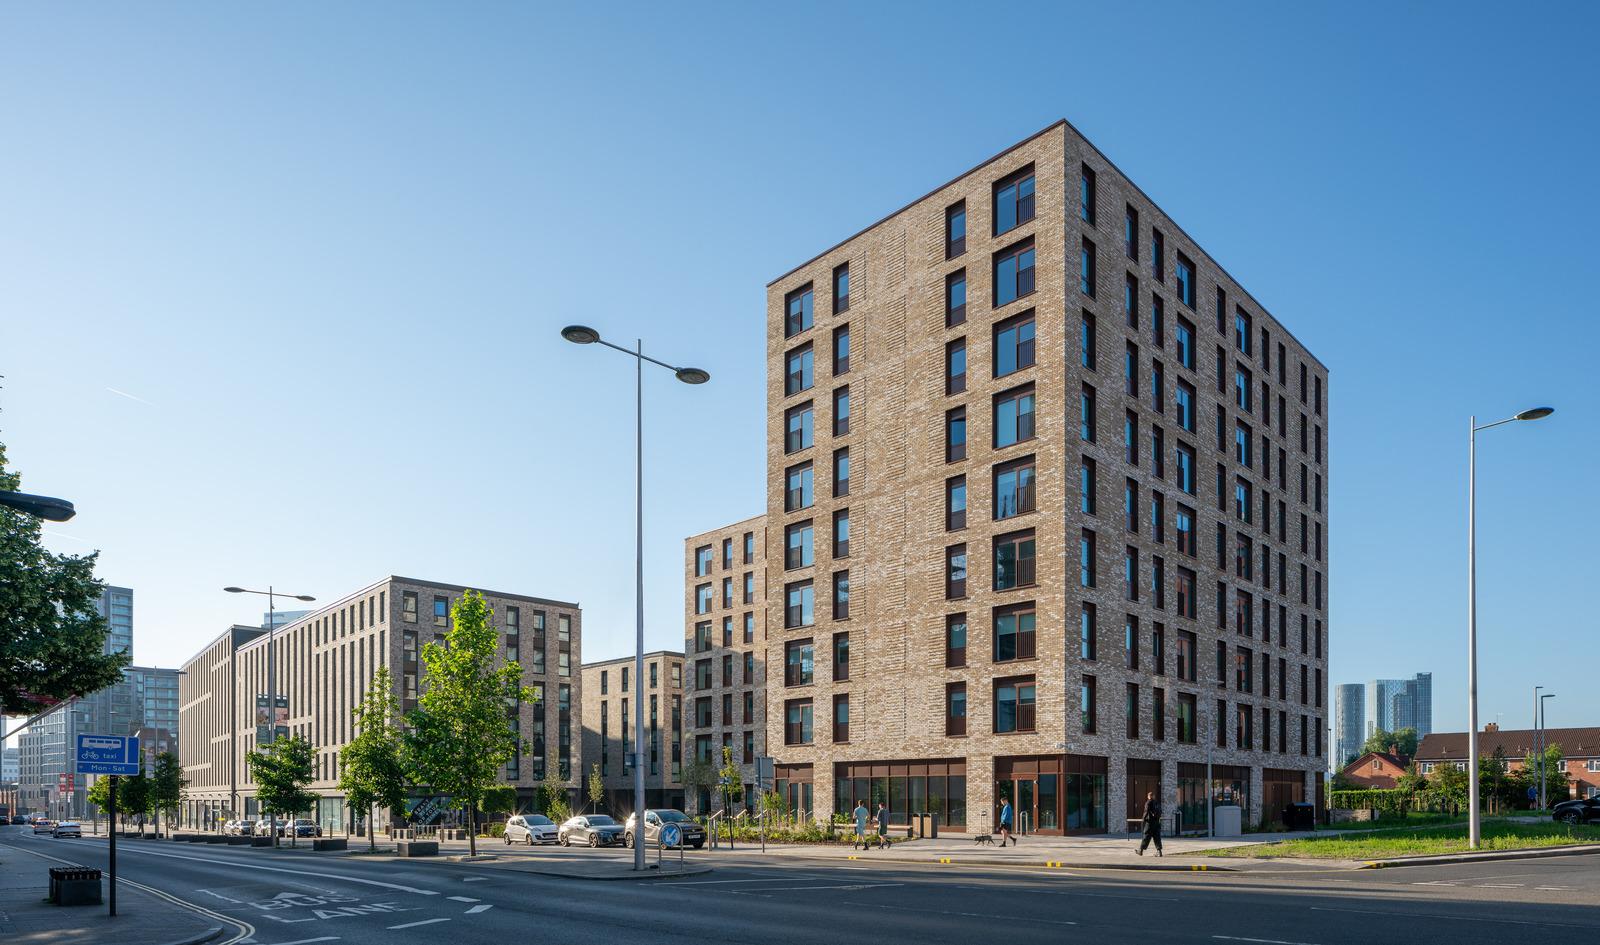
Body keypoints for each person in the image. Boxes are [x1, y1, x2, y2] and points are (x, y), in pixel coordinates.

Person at [1136, 791, 1163, 857]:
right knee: (1157, 837)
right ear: (1153, 796)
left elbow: (1146, 811)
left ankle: (1140, 850)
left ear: (1148, 796)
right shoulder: (1157, 803)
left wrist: (1143, 819)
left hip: (1150, 823)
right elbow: (1161, 811)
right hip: (1156, 822)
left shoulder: (1148, 802)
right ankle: (1159, 851)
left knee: (1146, 836)